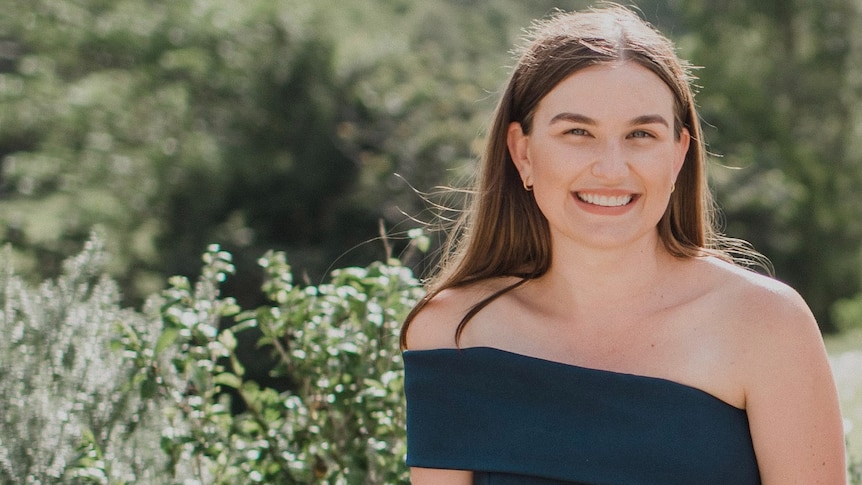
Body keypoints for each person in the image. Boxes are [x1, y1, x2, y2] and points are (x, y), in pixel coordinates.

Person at [399, 5, 847, 485]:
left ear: (677, 155)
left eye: (641, 134)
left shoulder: (766, 326)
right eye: (578, 132)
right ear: (523, 153)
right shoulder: (451, 334)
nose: (612, 168)